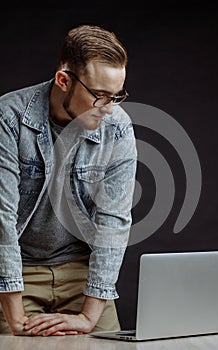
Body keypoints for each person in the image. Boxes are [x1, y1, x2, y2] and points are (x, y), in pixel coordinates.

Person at [0, 24, 137, 336]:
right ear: (64, 80)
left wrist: (89, 317)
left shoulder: (117, 127)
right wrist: (17, 319)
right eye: (100, 96)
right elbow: (2, 219)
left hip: (81, 272)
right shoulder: (8, 118)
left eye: (117, 96)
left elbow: (113, 222)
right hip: (19, 273)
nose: (109, 109)